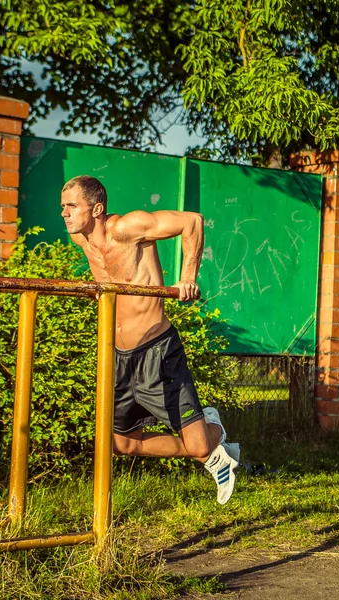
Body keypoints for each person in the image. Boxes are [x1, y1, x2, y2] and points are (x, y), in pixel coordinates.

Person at [61, 175, 240, 504]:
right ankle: (216, 457)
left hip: (157, 351)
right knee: (122, 444)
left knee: (199, 444)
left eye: (72, 206)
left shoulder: (128, 228)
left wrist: (187, 278)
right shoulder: (82, 241)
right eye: (63, 207)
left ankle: (213, 432)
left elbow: (193, 222)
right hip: (119, 356)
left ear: (97, 208)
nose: (65, 213)